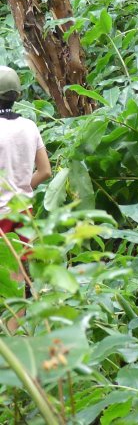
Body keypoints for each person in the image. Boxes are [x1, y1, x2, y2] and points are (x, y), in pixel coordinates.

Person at [0, 66, 52, 332]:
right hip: (23, 216)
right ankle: (15, 341)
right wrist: (20, 188)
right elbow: (45, 171)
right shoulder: (30, 126)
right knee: (18, 283)